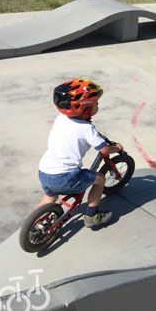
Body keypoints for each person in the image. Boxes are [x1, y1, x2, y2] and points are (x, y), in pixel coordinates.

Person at [36, 78, 123, 228]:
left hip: (44, 171)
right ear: (86, 109)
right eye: (96, 103)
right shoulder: (87, 129)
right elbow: (104, 149)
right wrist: (117, 148)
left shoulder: (61, 118)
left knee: (49, 197)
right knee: (100, 179)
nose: (98, 105)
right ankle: (92, 215)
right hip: (66, 177)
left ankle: (35, 223)